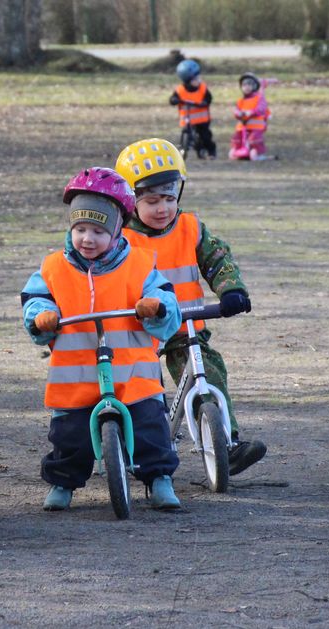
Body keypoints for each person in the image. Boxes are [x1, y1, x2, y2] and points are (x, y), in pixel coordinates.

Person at [21, 167, 184, 512]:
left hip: (132, 373)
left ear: (116, 231)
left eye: (98, 231)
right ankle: (63, 483)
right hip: (76, 374)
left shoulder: (139, 264)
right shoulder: (54, 267)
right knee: (69, 436)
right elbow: (36, 298)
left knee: (150, 427)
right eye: (80, 229)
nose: (88, 239)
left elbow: (166, 299)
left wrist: (155, 308)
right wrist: (41, 316)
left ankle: (159, 479)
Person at [115, 138, 266, 476]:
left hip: (186, 327)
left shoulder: (190, 228)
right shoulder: (122, 238)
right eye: (151, 201)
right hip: (138, 332)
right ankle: (136, 446)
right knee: (141, 390)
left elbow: (217, 260)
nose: (162, 208)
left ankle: (227, 442)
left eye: (169, 198)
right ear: (131, 201)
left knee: (209, 372)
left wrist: (232, 290)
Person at [169, 59, 217, 159]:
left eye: (199, 78)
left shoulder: (203, 88)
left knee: (205, 136)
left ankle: (211, 151)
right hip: (187, 119)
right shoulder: (180, 90)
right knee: (186, 132)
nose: (199, 81)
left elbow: (209, 98)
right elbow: (173, 99)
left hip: (202, 120)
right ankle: (183, 147)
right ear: (187, 80)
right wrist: (174, 100)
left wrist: (204, 102)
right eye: (196, 79)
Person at [230, 72, 274, 161]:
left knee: (254, 139)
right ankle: (237, 149)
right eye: (244, 85)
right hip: (243, 125)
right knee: (236, 138)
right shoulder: (241, 101)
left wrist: (252, 112)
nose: (246, 87)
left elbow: (262, 108)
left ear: (254, 86)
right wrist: (238, 113)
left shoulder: (259, 98)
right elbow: (237, 110)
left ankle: (258, 152)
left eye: (249, 84)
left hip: (256, 125)